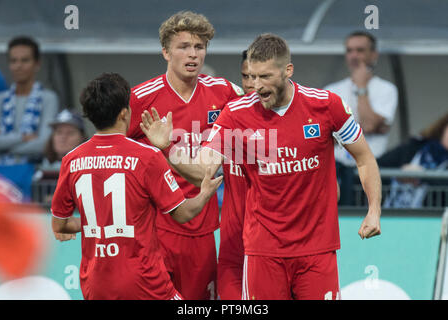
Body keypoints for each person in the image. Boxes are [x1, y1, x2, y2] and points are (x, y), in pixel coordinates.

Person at [140, 33, 382, 300]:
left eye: (265, 77)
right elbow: (203, 171)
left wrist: (373, 210)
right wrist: (168, 149)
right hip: (263, 251)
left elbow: (364, 158)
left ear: (288, 70)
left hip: (317, 249)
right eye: (252, 77)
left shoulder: (326, 105)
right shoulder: (236, 114)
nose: (256, 86)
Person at [50, 72, 222, 300]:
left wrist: (97, 223)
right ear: (124, 113)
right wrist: (205, 193)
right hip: (145, 283)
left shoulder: (72, 160)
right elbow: (183, 214)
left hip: (94, 283)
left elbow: (60, 225)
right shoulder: (147, 157)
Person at [127, 11, 243, 300]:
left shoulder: (225, 92)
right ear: (166, 52)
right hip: (154, 228)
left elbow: (256, 119)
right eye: (183, 47)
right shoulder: (141, 98)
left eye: (199, 47)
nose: (193, 55)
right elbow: (115, 149)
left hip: (202, 230)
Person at [324, 31, 397, 205]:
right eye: (349, 50)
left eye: (360, 50)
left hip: (370, 169)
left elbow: (369, 124)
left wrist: (361, 88)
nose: (354, 55)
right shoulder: (332, 90)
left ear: (373, 55)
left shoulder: (386, 89)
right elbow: (324, 133)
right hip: (337, 170)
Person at [217, 50, 254, 300]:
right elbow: (202, 167)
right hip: (233, 247)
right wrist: (167, 149)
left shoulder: (289, 123)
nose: (251, 83)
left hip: (272, 247)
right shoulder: (229, 116)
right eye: (245, 76)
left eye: (259, 76)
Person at [0, 36, 59, 164]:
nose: (18, 66)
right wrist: (23, 138)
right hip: (1, 176)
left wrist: (6, 148)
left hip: (33, 175)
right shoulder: (0, 100)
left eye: (24, 60)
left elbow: (44, 143)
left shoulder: (48, 98)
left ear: (37, 64)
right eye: (13, 61)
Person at [381, 113, 448, 208]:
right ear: (443, 127)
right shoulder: (415, 146)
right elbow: (378, 165)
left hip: (426, 218)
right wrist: (398, 174)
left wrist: (423, 176)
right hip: (390, 211)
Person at [32, 109, 88, 207]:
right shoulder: (38, 167)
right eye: (59, 132)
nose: (63, 137)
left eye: (70, 133)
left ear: (82, 138)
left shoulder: (90, 168)